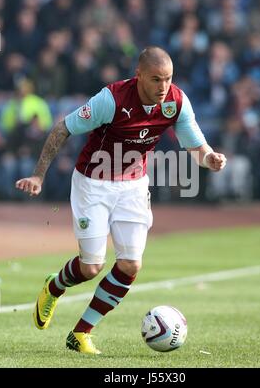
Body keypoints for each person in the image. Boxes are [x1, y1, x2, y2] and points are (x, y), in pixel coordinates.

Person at [15, 46, 227, 354]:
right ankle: (54, 286)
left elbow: (197, 147)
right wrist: (38, 175)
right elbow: (62, 128)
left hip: (133, 187)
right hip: (93, 184)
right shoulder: (110, 100)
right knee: (91, 268)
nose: (163, 87)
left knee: (130, 265)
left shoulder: (176, 102)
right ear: (139, 76)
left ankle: (81, 333)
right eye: (156, 79)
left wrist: (211, 159)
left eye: (168, 79)